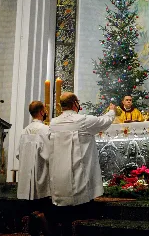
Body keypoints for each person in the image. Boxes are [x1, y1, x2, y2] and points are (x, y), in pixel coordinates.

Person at [47, 92, 115, 234]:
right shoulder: (82, 120)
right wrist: (112, 111)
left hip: (59, 172)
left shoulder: (53, 123)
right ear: (75, 104)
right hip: (78, 171)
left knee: (62, 205)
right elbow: (105, 121)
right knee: (80, 203)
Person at [15, 101, 51, 235]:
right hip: (41, 174)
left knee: (29, 208)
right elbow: (49, 154)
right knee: (43, 206)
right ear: (42, 112)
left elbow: (18, 154)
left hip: (26, 177)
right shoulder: (46, 130)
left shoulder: (25, 130)